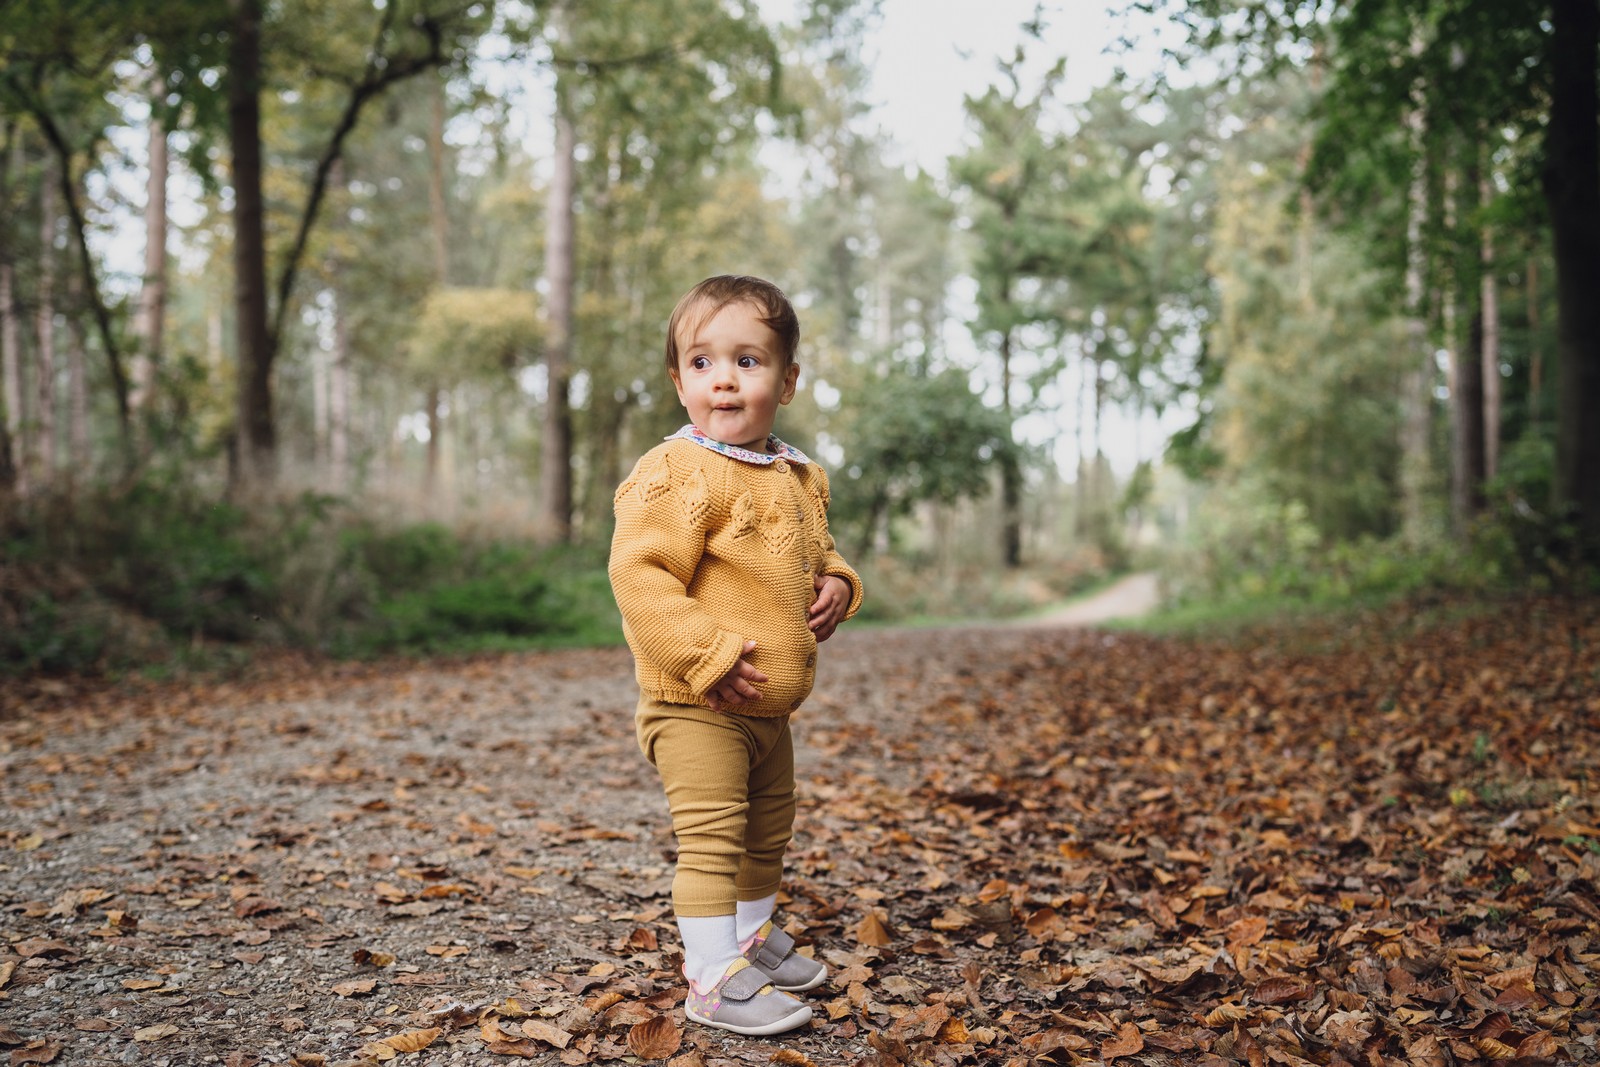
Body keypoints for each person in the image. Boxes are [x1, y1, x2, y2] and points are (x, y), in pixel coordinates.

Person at [608, 275, 863, 1036]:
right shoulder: (677, 471)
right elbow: (641, 574)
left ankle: (747, 937)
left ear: (786, 382)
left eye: (748, 360)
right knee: (715, 834)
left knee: (768, 828)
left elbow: (821, 553)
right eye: (702, 361)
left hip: (768, 709)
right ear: (678, 380)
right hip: (697, 702)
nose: (724, 377)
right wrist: (704, 653)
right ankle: (711, 975)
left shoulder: (794, 474)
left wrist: (842, 584)